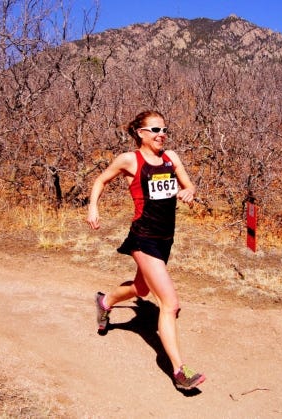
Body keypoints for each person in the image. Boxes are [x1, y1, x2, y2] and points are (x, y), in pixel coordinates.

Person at [86, 110, 205, 391]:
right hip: (143, 237)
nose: (161, 134)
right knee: (170, 304)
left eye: (164, 129)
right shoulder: (130, 160)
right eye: (155, 129)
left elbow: (188, 186)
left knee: (141, 290)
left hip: (165, 238)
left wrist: (189, 192)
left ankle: (104, 303)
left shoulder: (170, 158)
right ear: (140, 133)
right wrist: (93, 207)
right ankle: (180, 370)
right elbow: (101, 180)